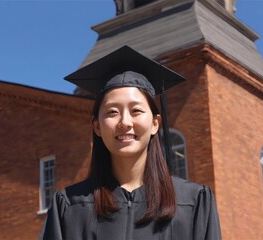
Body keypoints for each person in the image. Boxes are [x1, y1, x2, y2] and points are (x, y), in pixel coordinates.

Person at [40, 46, 221, 240]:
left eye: (136, 111)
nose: (125, 122)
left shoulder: (193, 202)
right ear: (97, 126)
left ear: (154, 124)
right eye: (112, 112)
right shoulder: (70, 206)